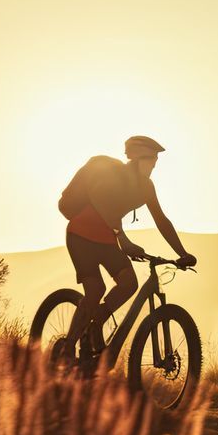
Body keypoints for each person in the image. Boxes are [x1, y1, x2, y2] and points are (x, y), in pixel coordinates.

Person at [56, 135, 195, 359]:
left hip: (107, 239)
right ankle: (67, 348)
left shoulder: (147, 187)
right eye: (151, 160)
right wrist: (123, 238)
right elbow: (98, 195)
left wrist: (183, 254)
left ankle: (95, 324)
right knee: (95, 291)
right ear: (138, 158)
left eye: (156, 160)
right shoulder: (114, 175)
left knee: (129, 283)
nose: (154, 165)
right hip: (81, 235)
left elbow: (161, 220)